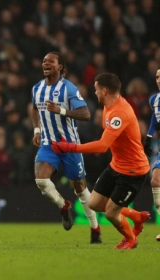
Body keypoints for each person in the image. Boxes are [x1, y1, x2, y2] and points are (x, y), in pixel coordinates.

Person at [52, 72, 151, 249]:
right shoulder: (108, 106)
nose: (95, 92)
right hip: (116, 166)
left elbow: (102, 146)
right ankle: (136, 216)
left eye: (96, 89)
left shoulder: (119, 114)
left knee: (111, 214)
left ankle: (130, 239)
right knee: (94, 204)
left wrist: (71, 147)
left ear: (105, 91)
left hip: (133, 171)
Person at [31, 51, 102, 244]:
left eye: (50, 62)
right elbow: (34, 108)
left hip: (70, 145)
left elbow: (86, 114)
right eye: (44, 61)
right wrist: (37, 129)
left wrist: (61, 110)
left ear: (60, 66)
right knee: (41, 180)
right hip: (48, 144)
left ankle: (95, 228)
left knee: (80, 187)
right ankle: (64, 207)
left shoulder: (68, 89)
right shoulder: (37, 88)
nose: (45, 64)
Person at [143, 68, 160, 241]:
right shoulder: (154, 99)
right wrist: (148, 138)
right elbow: (155, 121)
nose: (159, 80)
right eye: (156, 77)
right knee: (155, 180)